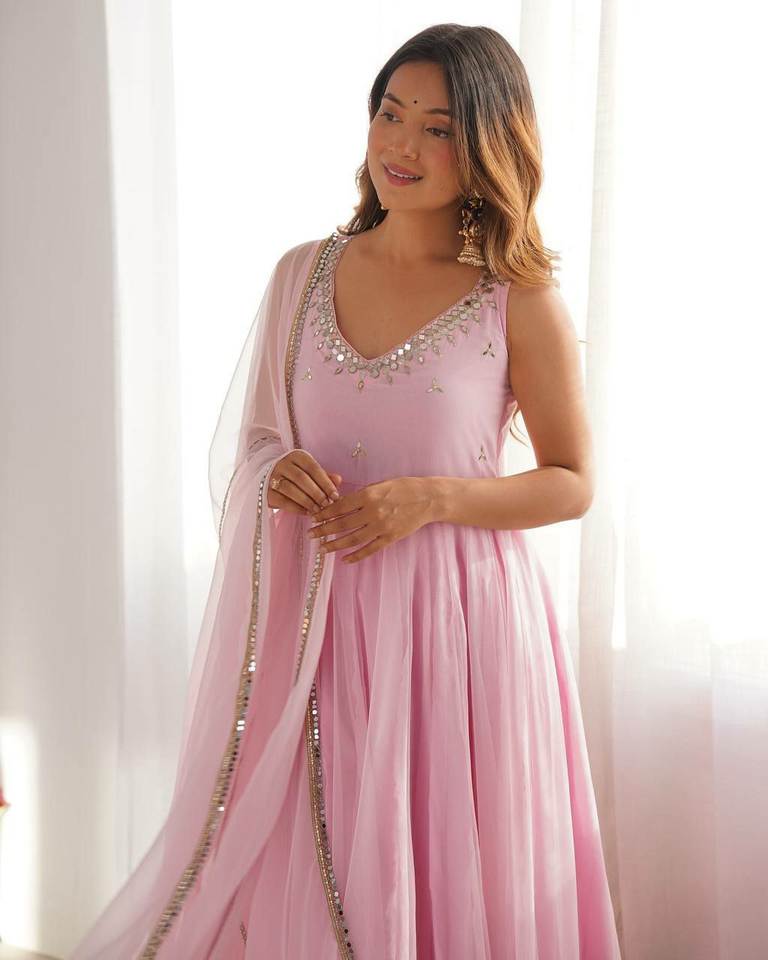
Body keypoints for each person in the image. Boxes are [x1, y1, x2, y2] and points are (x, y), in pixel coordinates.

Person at [70, 22, 622, 960]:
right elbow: (258, 438)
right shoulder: (302, 274)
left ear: (486, 146)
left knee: (442, 860)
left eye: (438, 128)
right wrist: (272, 471)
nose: (401, 145)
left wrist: (435, 499)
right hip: (316, 622)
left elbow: (573, 482)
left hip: (455, 627)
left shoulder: (516, 299)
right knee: (313, 855)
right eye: (390, 114)